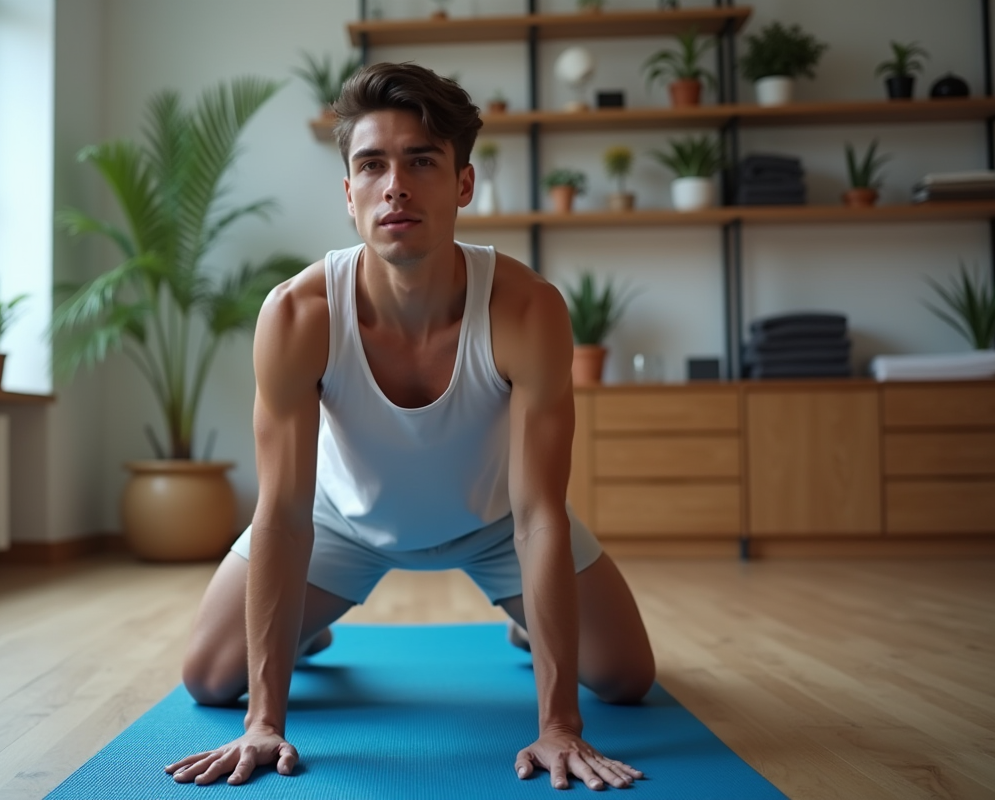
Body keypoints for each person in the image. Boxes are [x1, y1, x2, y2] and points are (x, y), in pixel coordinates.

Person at [164, 62, 655, 792]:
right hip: (342, 522)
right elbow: (284, 515)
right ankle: (308, 623)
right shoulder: (298, 314)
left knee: (626, 678)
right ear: (349, 193)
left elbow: (539, 516)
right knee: (209, 679)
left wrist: (558, 723)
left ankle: (525, 618)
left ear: (463, 184)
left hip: (497, 522)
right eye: (372, 165)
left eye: (421, 161)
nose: (395, 185)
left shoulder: (527, 309)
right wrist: (264, 720)